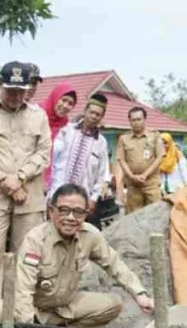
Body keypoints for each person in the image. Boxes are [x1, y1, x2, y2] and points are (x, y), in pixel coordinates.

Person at [15, 183, 154, 328]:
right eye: (64, 210)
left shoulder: (90, 235)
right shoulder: (36, 240)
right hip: (32, 309)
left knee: (113, 304)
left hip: (62, 307)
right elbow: (23, 292)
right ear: (51, 211)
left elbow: (114, 264)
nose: (71, 218)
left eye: (78, 212)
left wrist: (139, 293)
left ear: (86, 214)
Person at [0, 61, 52, 327]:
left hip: (29, 193)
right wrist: (5, 181)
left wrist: (19, 178)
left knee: (26, 254)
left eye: (20, 90)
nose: (15, 96)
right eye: (10, 90)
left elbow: (43, 153)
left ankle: (22, 316)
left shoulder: (38, 116)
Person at [48, 93, 110, 228]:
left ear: (102, 117)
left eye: (98, 114)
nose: (93, 116)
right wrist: (50, 191)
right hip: (59, 193)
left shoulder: (101, 142)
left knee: (78, 232)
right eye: (91, 112)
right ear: (85, 111)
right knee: (55, 229)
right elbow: (53, 161)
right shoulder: (66, 130)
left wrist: (93, 198)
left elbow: (101, 174)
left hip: (82, 200)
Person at [116, 107, 164, 213]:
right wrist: (131, 176)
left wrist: (145, 175)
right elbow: (121, 160)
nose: (136, 122)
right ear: (129, 121)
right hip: (133, 186)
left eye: (139, 119)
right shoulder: (123, 138)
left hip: (151, 185)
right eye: (133, 120)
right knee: (134, 217)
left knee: (155, 214)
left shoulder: (154, 136)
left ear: (145, 119)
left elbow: (159, 157)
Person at [39, 82, 77, 190]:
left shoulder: (66, 128)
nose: (65, 106)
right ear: (55, 97)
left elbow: (62, 162)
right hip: (27, 179)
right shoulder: (36, 115)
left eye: (70, 103)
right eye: (63, 100)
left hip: (52, 186)